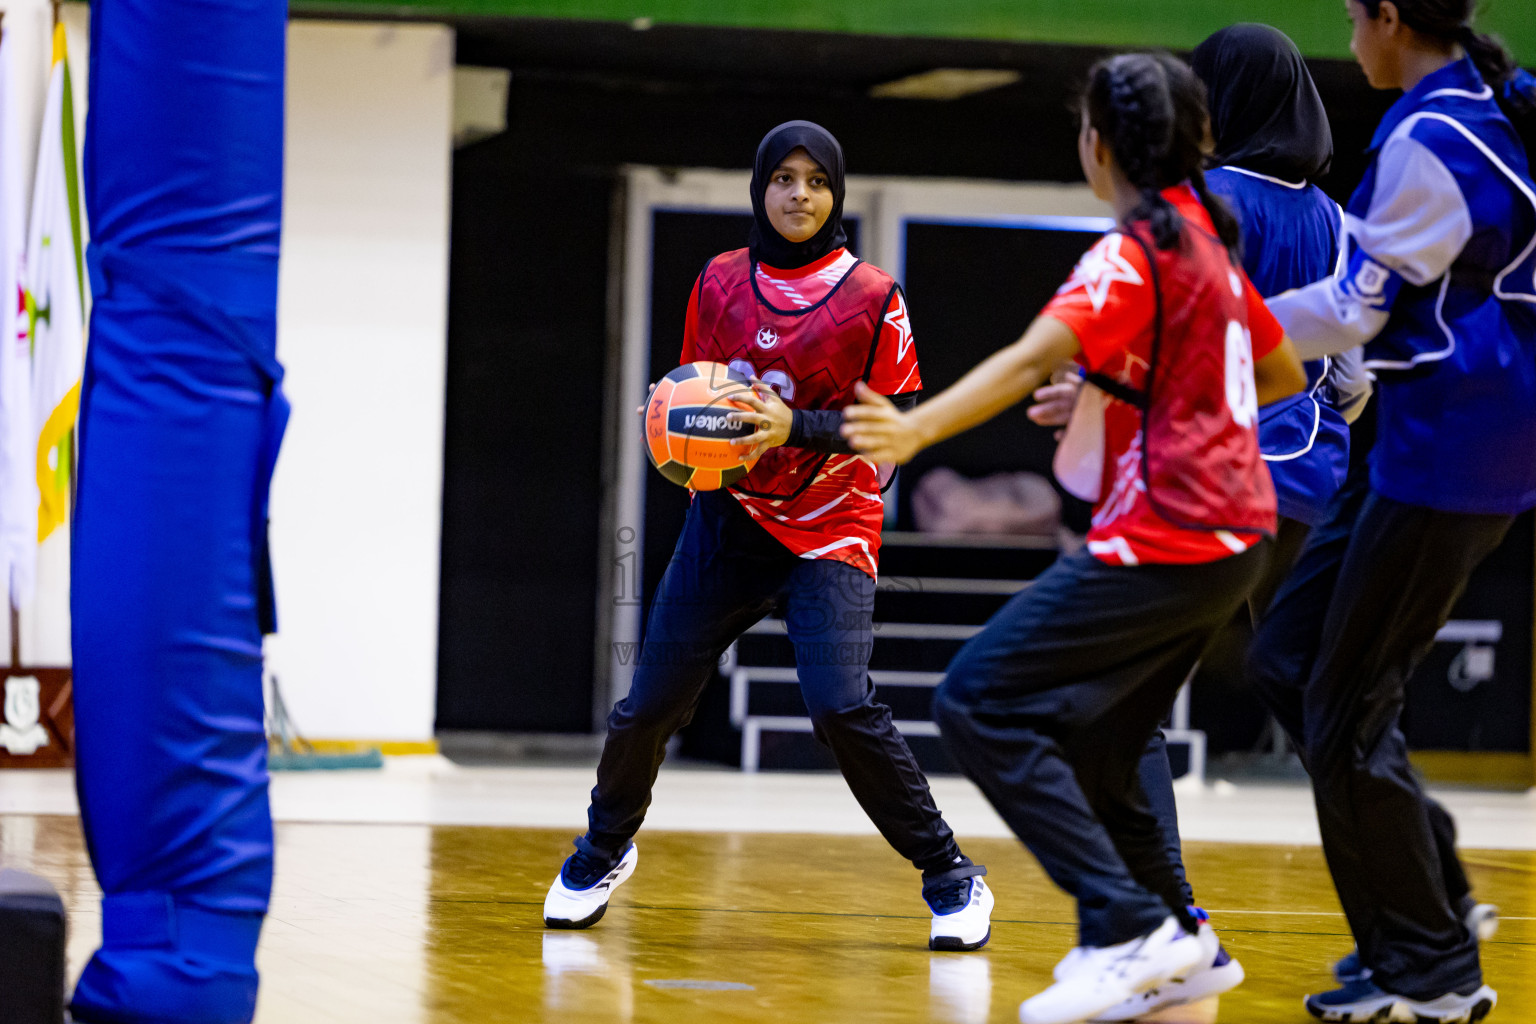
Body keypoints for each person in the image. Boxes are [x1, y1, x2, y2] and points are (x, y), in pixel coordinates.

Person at [843, 52, 1307, 1024]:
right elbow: (1281, 375)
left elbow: (1025, 361)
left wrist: (914, 428)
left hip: (1173, 531)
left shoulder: (1132, 252)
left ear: (1099, 147)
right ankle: (1184, 937)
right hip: (1241, 534)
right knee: (1109, 733)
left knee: (979, 700)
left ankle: (1126, 926)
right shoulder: (1206, 248)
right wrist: (1150, 387)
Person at [542, 120, 994, 952]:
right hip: (732, 521)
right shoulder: (718, 280)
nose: (799, 195)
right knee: (646, 707)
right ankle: (602, 850)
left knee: (841, 707)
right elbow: (695, 395)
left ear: (836, 195)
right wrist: (673, 421)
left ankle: (952, 873)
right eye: (783, 178)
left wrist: (793, 426)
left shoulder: (873, 295)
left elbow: (894, 428)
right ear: (760, 188)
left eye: (816, 181)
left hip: (833, 525)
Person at [1246, 1, 1536, 1020]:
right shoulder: (1470, 110)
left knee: (1349, 702)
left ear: (1387, 17)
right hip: (1423, 435)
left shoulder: (1429, 137)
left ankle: (1435, 964)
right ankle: (1426, 920)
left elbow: (1350, 310)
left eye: (1352, 14)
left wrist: (1218, 331)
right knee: (1290, 661)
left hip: (1452, 449)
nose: (1349, 34)